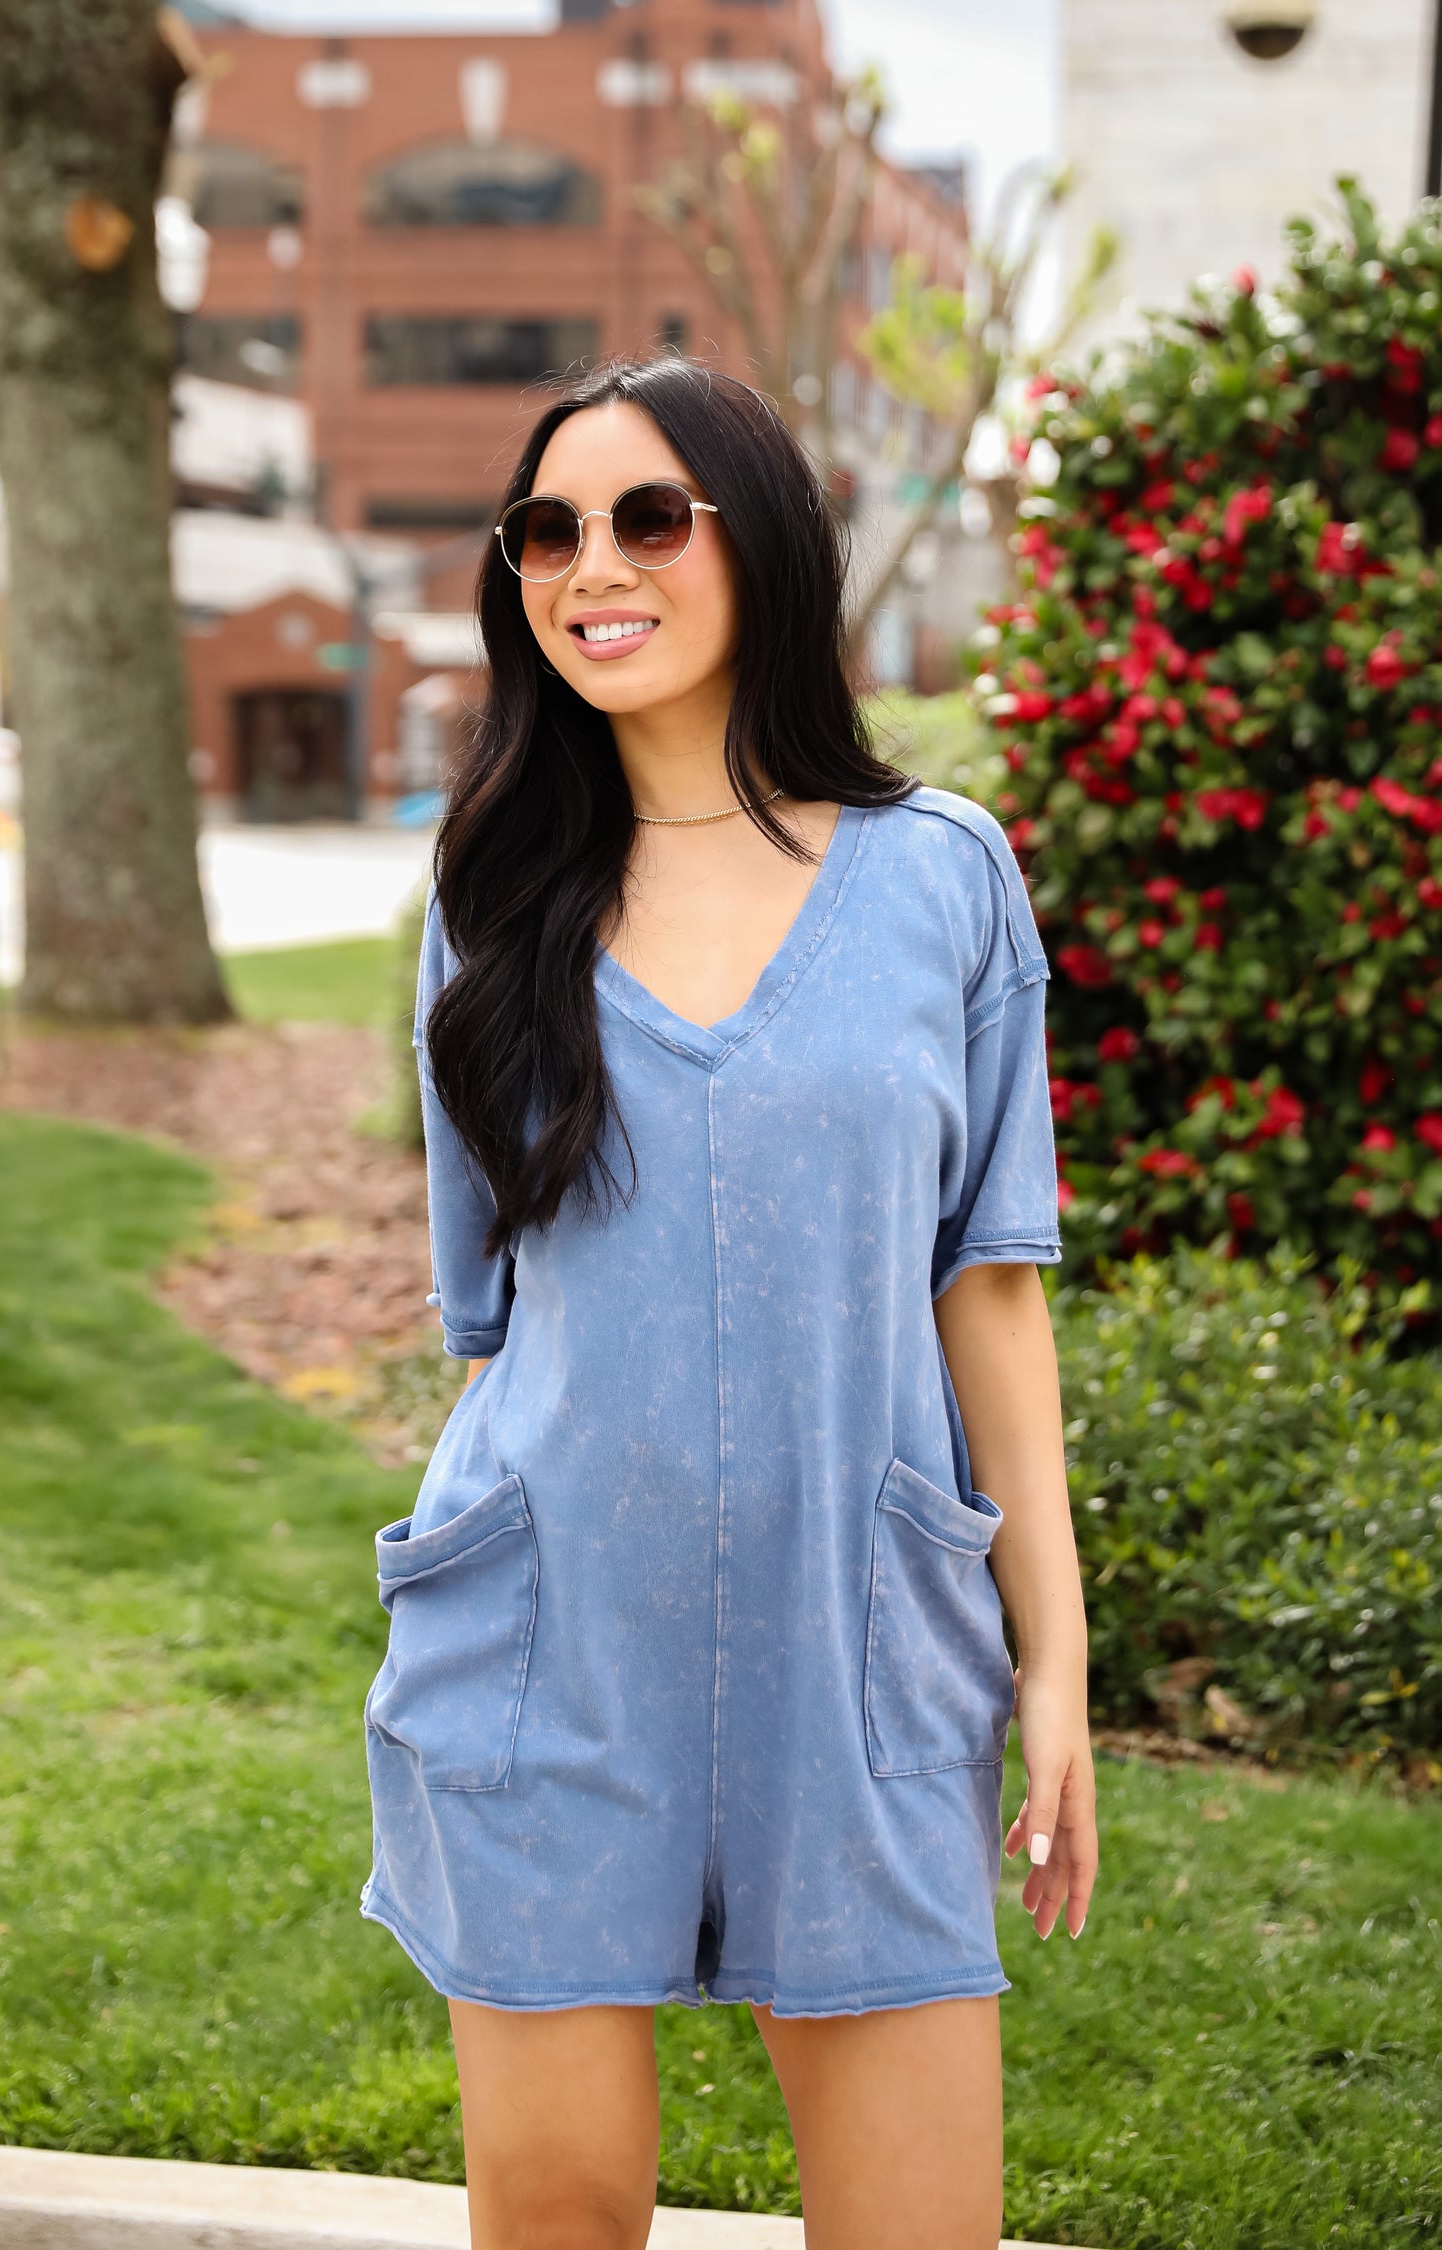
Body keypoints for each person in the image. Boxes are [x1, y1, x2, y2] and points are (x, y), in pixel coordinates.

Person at [360, 359, 1097, 2250]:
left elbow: (990, 1289)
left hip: (862, 1649)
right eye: (547, 531)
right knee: (558, 2219)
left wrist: (1056, 1659)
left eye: (647, 516)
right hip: (547, 1650)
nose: (591, 566)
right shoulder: (490, 898)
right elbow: (495, 1316)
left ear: (760, 538)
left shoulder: (944, 878)